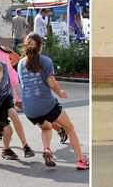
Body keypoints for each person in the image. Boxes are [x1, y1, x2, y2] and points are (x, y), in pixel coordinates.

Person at [17, 33, 89, 170]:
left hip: (29, 109)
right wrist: (60, 93)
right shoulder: (46, 61)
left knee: (46, 127)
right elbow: (53, 84)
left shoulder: (21, 63)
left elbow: (23, 85)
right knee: (69, 128)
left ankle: (47, 150)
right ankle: (81, 160)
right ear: (41, 46)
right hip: (46, 105)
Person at [0, 58, 35, 160]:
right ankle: (6, 150)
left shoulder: (4, 65)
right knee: (8, 131)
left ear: (1, 69)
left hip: (6, 96)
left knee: (13, 113)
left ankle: (25, 146)